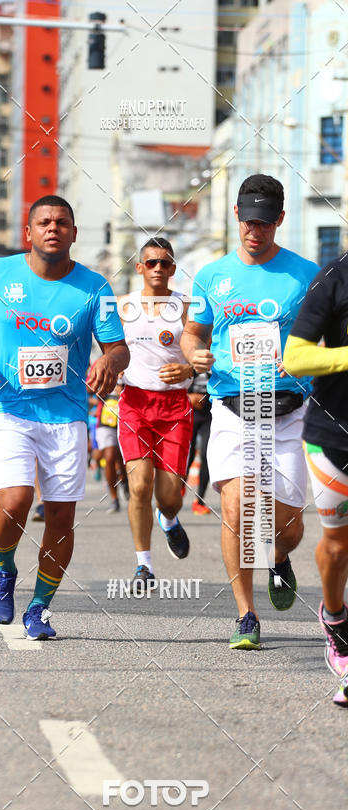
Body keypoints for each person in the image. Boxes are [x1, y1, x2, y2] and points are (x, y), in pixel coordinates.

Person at [0, 194, 129, 639]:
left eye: (62, 222)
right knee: (14, 501)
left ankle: (39, 608)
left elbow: (118, 347)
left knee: (61, 518)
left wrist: (111, 362)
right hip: (8, 406)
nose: (53, 228)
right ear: (28, 232)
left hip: (66, 414)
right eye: (44, 222)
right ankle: (4, 569)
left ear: (73, 232)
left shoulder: (94, 287)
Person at [181, 174, 319, 650]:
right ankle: (246, 614)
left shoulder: (306, 275)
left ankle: (278, 559)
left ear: (280, 220)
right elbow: (193, 333)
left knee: (286, 524)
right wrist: (194, 354)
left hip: (289, 410)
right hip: (233, 408)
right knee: (237, 508)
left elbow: (328, 336)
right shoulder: (211, 275)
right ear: (236, 215)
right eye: (248, 220)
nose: (254, 230)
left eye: (265, 222)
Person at [283, 256, 348, 677]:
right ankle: (336, 617)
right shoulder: (334, 277)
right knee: (339, 546)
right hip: (334, 434)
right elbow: (296, 357)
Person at [117, 238, 194, 586]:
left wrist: (191, 371)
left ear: (173, 269)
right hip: (134, 404)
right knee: (139, 485)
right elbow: (110, 348)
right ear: (140, 268)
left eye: (165, 263)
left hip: (175, 406)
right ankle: (143, 565)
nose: (158, 269)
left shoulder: (186, 307)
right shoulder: (123, 307)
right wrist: (108, 367)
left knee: (169, 498)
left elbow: (203, 351)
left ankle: (170, 521)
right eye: (151, 263)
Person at [95, 382, 127, 513]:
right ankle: (114, 499)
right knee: (109, 456)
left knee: (122, 458)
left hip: (127, 420)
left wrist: (124, 391)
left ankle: (124, 479)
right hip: (106, 422)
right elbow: (91, 390)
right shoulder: (103, 365)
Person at [185, 370, 212, 515]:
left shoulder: (219, 352)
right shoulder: (189, 351)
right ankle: (180, 485)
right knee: (187, 453)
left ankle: (200, 501)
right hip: (190, 411)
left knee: (207, 454)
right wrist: (188, 396)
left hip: (210, 412)